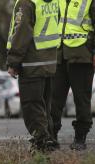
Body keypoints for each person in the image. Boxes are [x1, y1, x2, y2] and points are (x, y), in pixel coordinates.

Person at [50, 0, 95, 150]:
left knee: (82, 100)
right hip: (58, 56)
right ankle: (51, 137)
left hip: (82, 56)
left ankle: (80, 138)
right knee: (53, 100)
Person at [6, 0, 61, 153]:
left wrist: (13, 61)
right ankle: (48, 141)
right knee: (43, 106)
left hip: (32, 62)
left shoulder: (27, 2)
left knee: (32, 106)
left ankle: (41, 143)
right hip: (49, 62)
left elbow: (22, 31)